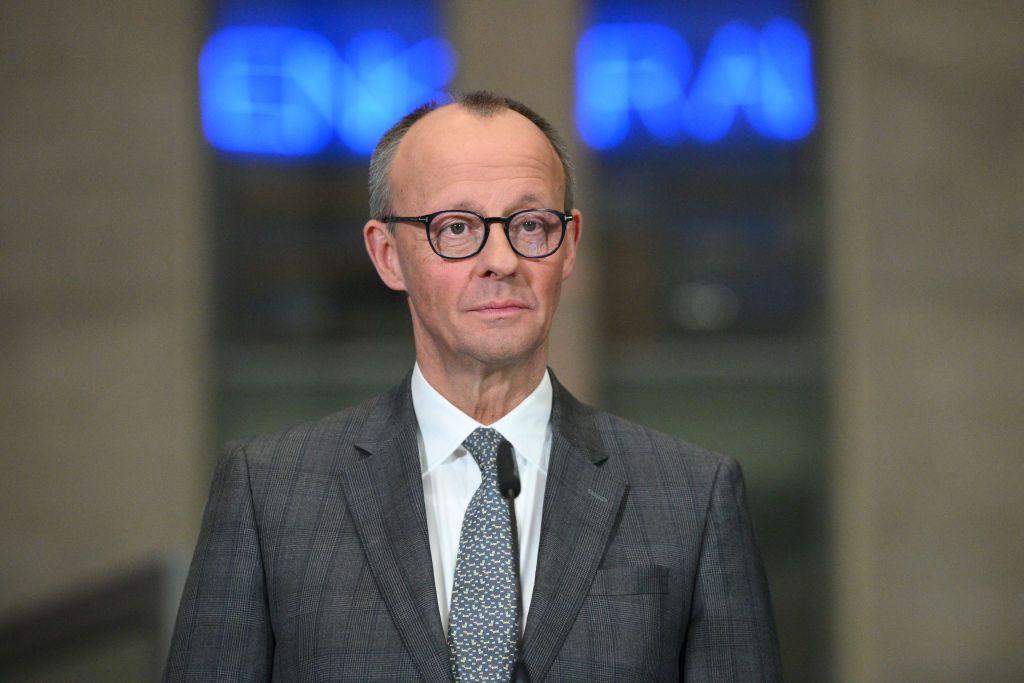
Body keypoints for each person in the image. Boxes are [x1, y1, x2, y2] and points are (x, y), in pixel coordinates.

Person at [164, 91, 782, 681]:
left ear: (568, 246)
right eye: (456, 228)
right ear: (388, 255)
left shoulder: (692, 499)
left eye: (531, 224)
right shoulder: (270, 492)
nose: (501, 260)